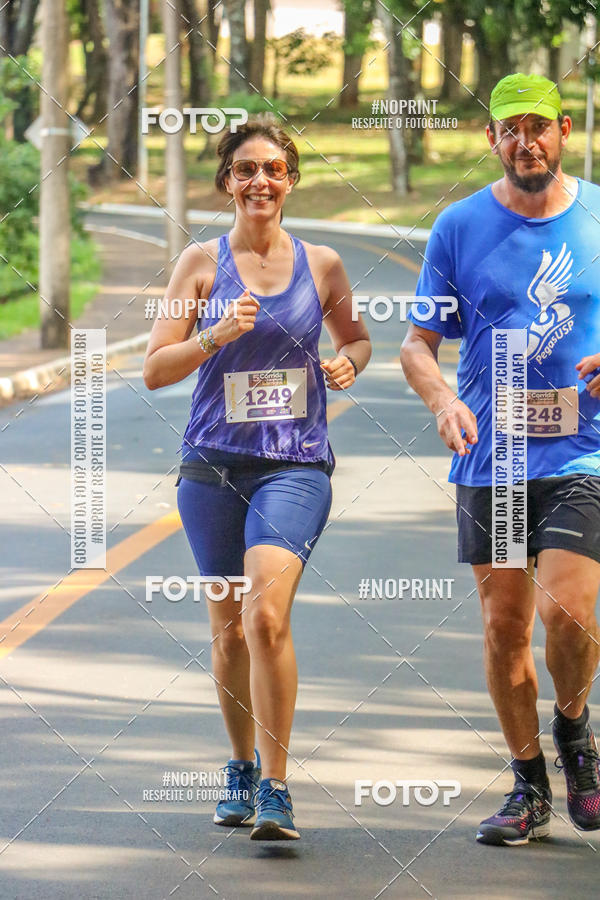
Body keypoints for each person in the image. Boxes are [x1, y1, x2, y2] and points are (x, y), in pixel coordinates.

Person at [143, 114, 371, 840]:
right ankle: (239, 766)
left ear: (291, 179)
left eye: (272, 169)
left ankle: (276, 785)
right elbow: (154, 368)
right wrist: (214, 334)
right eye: (245, 170)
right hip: (210, 466)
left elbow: (358, 339)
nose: (260, 181)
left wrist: (347, 364)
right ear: (228, 183)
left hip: (295, 464)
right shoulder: (199, 265)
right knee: (228, 633)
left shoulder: (323, 264)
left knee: (264, 616)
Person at [401, 73, 600, 846]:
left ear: (564, 129)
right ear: (492, 139)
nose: (526, 141)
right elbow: (418, 343)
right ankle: (529, 786)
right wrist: (443, 401)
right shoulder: (458, 224)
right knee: (503, 630)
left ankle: (576, 730)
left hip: (583, 450)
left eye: (538, 126)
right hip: (494, 461)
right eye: (510, 129)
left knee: (570, 615)